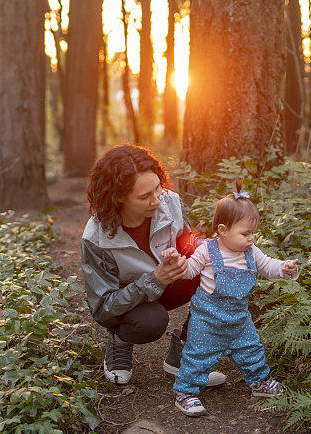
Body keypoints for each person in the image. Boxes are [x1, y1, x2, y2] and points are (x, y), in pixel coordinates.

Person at [81, 144, 226, 386]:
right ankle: (119, 340)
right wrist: (155, 279)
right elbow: (102, 307)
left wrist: (206, 248)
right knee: (152, 322)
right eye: (144, 196)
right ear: (118, 197)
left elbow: (187, 241)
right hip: (128, 304)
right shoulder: (96, 237)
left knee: (219, 269)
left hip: (166, 282)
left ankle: (185, 355)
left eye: (157, 189)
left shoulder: (170, 202)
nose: (157, 200)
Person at [165, 182, 299, 416]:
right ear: (223, 230)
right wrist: (179, 264)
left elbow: (268, 265)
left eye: (253, 233)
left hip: (238, 318)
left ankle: (260, 382)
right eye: (245, 233)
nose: (251, 238)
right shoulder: (207, 250)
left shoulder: (251, 252)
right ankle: (186, 393)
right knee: (197, 356)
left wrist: (284, 268)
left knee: (251, 349)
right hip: (207, 320)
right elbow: (190, 272)